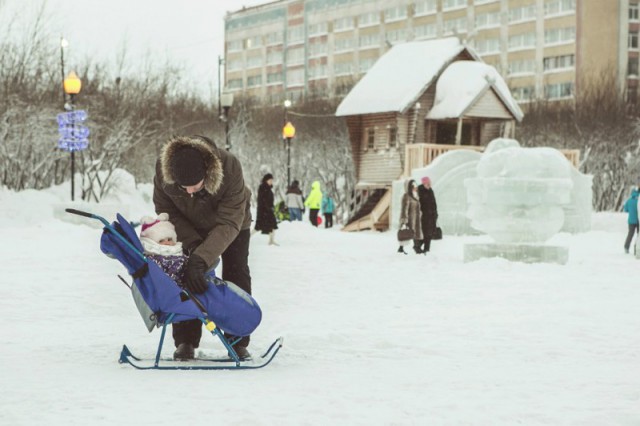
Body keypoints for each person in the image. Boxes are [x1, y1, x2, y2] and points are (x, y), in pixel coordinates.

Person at [153, 135, 253, 361]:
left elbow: (229, 222)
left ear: (207, 174)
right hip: (189, 227)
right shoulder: (163, 170)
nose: (188, 192)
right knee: (183, 275)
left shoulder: (230, 167)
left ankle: (237, 340)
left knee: (236, 271)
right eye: (183, 187)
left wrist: (202, 258)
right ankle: (185, 340)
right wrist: (195, 248)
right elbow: (166, 211)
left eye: (194, 186)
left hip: (232, 224)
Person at [139, 213, 188, 284]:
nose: (167, 242)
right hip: (174, 288)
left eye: (169, 239)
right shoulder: (155, 259)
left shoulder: (180, 252)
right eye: (161, 241)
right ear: (152, 243)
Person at [398, 179, 423, 254]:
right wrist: (404, 220)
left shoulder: (415, 195)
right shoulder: (406, 196)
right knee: (406, 233)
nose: (416, 187)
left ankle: (417, 247)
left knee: (415, 234)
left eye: (416, 185)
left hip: (416, 219)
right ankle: (401, 248)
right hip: (409, 219)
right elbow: (404, 209)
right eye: (413, 186)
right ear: (410, 187)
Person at [255, 173, 279, 246]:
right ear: (266, 180)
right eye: (270, 180)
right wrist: (267, 208)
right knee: (258, 227)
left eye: (272, 180)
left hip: (269, 210)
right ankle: (247, 238)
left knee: (273, 225)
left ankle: (271, 240)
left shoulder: (268, 188)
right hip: (263, 211)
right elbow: (262, 200)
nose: (271, 181)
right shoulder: (263, 188)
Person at [417, 176, 438, 255]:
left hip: (431, 216)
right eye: (427, 183)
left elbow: (434, 203)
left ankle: (426, 250)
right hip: (424, 216)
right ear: (424, 183)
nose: (429, 184)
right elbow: (418, 204)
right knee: (424, 233)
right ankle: (418, 247)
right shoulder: (420, 191)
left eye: (430, 183)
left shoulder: (430, 190)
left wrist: (435, 213)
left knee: (429, 234)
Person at [623, 187, 639, 254]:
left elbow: (625, 210)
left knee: (630, 234)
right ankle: (636, 249)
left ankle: (626, 247)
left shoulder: (629, 201)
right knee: (639, 235)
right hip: (638, 221)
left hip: (631, 221)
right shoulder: (639, 201)